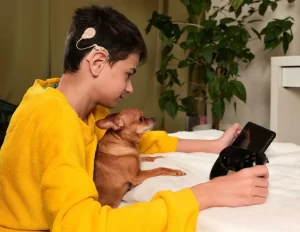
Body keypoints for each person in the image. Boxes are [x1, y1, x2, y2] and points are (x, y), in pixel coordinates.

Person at [0, 5, 269, 232]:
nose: (130, 88)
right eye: (128, 74)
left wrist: (211, 146)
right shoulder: (56, 122)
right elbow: (80, 225)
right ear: (97, 62)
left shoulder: (64, 102)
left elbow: (142, 140)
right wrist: (205, 195)